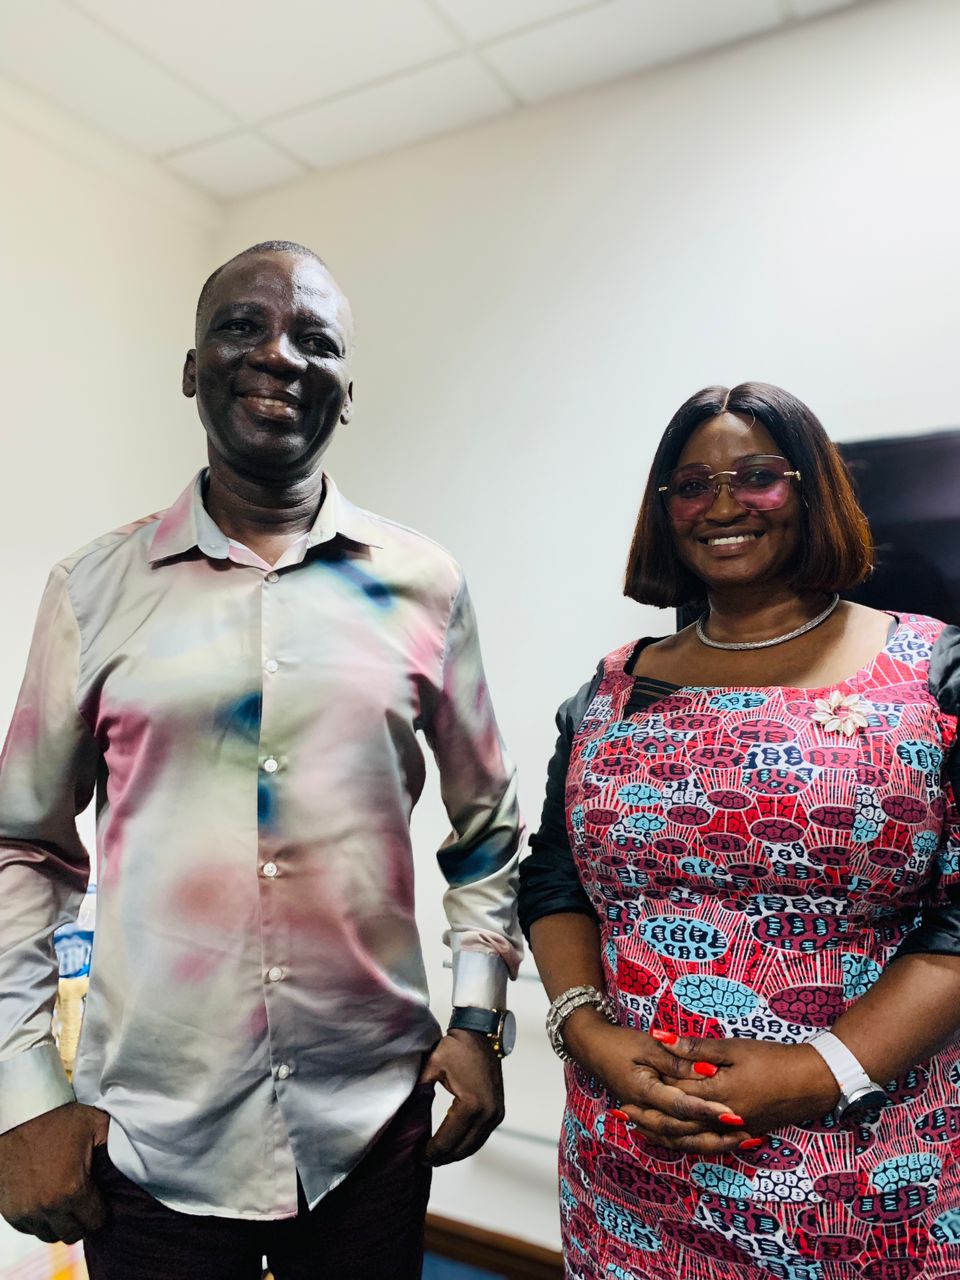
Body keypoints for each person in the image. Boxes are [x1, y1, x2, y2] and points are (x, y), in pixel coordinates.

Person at [0, 241, 522, 1280]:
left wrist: (479, 1016)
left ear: (347, 391)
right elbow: (24, 846)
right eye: (243, 326)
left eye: (314, 339)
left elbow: (488, 829)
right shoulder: (93, 590)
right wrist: (23, 1093)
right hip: (150, 1144)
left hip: (372, 1128)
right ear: (192, 366)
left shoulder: (424, 585)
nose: (279, 355)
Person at [519, 381, 960, 1280]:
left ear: (811, 489)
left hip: (858, 1169)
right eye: (691, 486)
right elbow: (555, 876)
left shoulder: (931, 671)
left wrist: (816, 1073)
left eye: (756, 476)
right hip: (629, 1162)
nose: (722, 506)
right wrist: (588, 1033)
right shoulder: (609, 689)